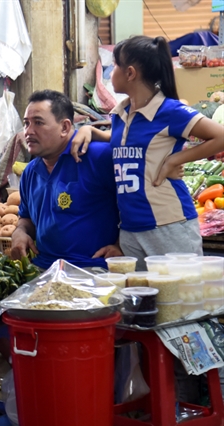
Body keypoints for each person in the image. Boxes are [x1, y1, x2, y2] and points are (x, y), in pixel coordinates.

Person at [72, 35, 224, 271]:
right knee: (142, 304)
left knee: (179, 302)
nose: (111, 71)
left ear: (130, 73)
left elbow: (220, 136)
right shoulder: (122, 113)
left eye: (115, 65)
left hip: (169, 227)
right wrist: (90, 131)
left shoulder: (170, 111)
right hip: (131, 230)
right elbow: (120, 141)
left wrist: (176, 159)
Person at [10, 90, 122, 270]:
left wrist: (121, 244)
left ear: (64, 127)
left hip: (93, 270)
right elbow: (26, 218)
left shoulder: (98, 156)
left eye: (38, 123)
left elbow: (138, 201)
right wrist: (20, 232)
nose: (28, 131)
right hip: (43, 269)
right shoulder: (30, 172)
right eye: (26, 123)